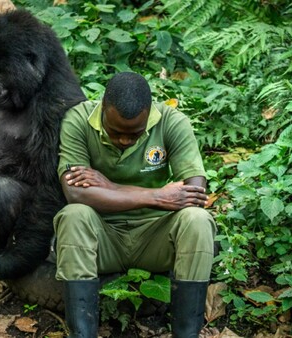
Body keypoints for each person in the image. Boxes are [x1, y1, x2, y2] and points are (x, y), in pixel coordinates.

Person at [54, 72, 216, 338]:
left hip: (157, 238)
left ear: (149, 113)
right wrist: (156, 196)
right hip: (101, 239)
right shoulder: (78, 120)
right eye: (116, 132)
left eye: (135, 134)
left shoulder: (172, 122)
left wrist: (112, 188)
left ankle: (186, 333)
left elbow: (196, 192)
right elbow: (76, 194)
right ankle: (82, 334)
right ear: (103, 107)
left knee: (197, 220)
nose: (125, 141)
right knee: (74, 215)